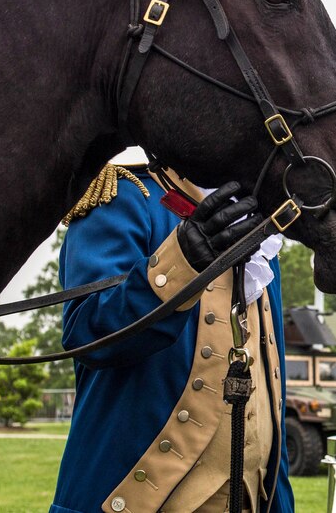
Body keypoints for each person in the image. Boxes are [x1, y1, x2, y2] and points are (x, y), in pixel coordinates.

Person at [49, 162, 294, 513]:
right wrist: (178, 264)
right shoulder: (126, 195)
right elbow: (87, 334)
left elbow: (270, 408)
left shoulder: (261, 229)